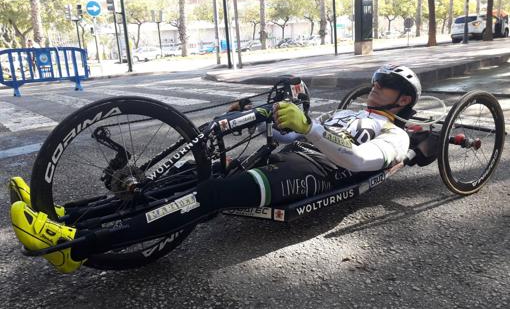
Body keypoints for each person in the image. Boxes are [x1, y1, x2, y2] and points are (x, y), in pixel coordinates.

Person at [9, 64, 422, 273]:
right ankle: (60, 215)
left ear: (402, 101)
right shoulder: (348, 113)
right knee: (183, 176)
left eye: (385, 84)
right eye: (376, 79)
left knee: (208, 197)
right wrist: (269, 122)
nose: (375, 86)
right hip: (285, 156)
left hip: (313, 174)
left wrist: (309, 127)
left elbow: (359, 161)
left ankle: (76, 248)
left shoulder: (397, 136)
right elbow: (289, 137)